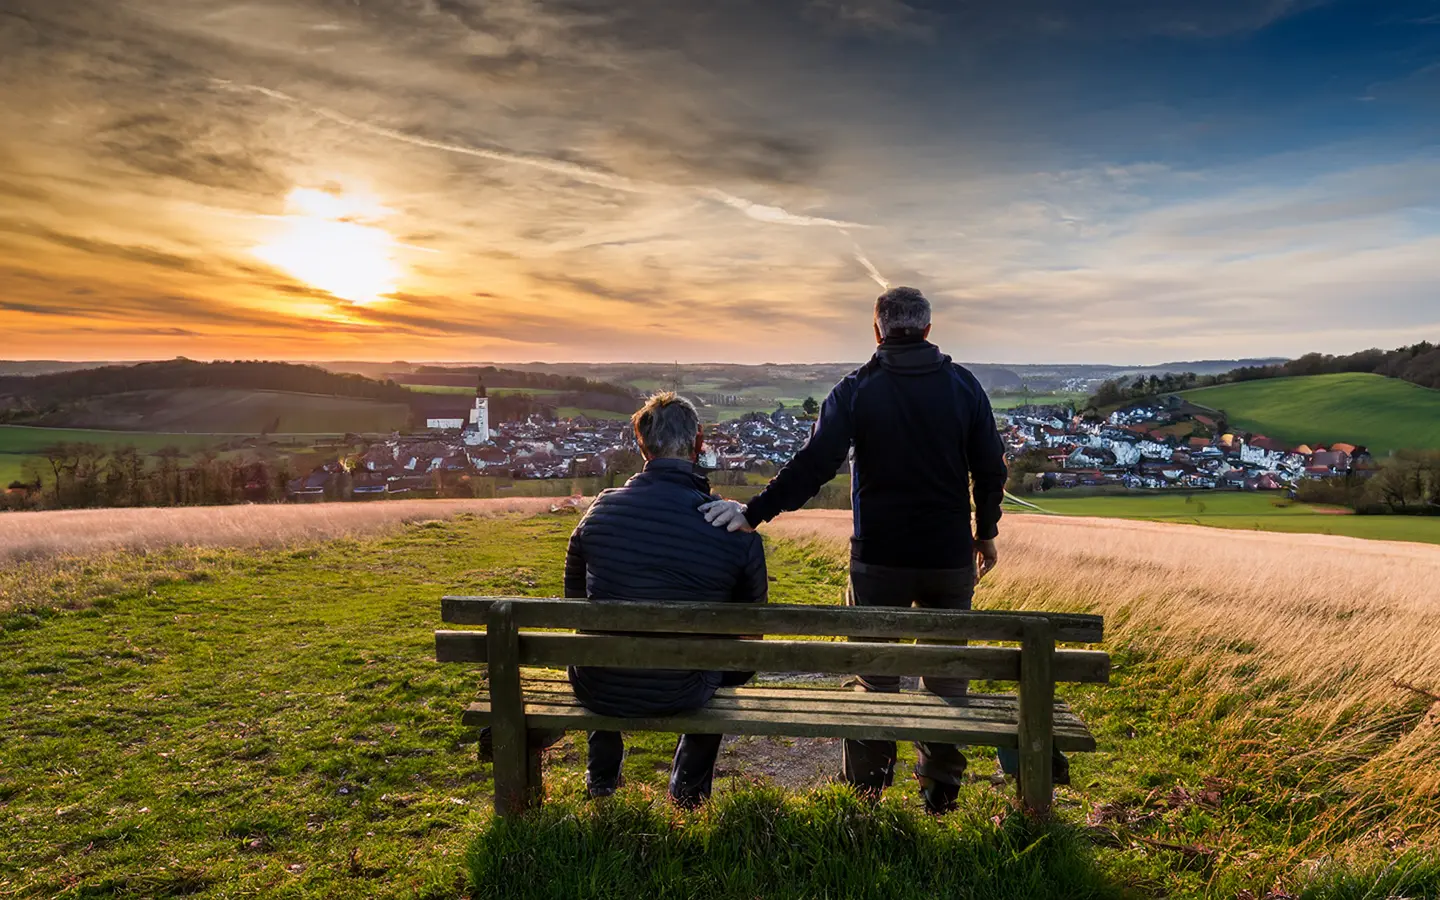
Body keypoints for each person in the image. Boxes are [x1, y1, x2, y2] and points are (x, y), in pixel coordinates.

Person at [699, 285, 1038, 814]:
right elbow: (991, 469)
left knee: (874, 673)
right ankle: (940, 789)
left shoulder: (856, 390)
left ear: (877, 330)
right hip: (949, 556)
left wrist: (754, 512)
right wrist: (986, 531)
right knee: (947, 674)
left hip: (878, 558)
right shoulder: (965, 387)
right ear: (928, 329)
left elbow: (813, 466)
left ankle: (867, 790)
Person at [563, 391, 768, 808]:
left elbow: (576, 606)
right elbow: (751, 631)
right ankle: (687, 793)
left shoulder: (597, 513)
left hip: (600, 683)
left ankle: (602, 781)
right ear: (699, 443)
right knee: (720, 662)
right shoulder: (732, 528)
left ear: (642, 445)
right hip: (686, 688)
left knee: (598, 644)